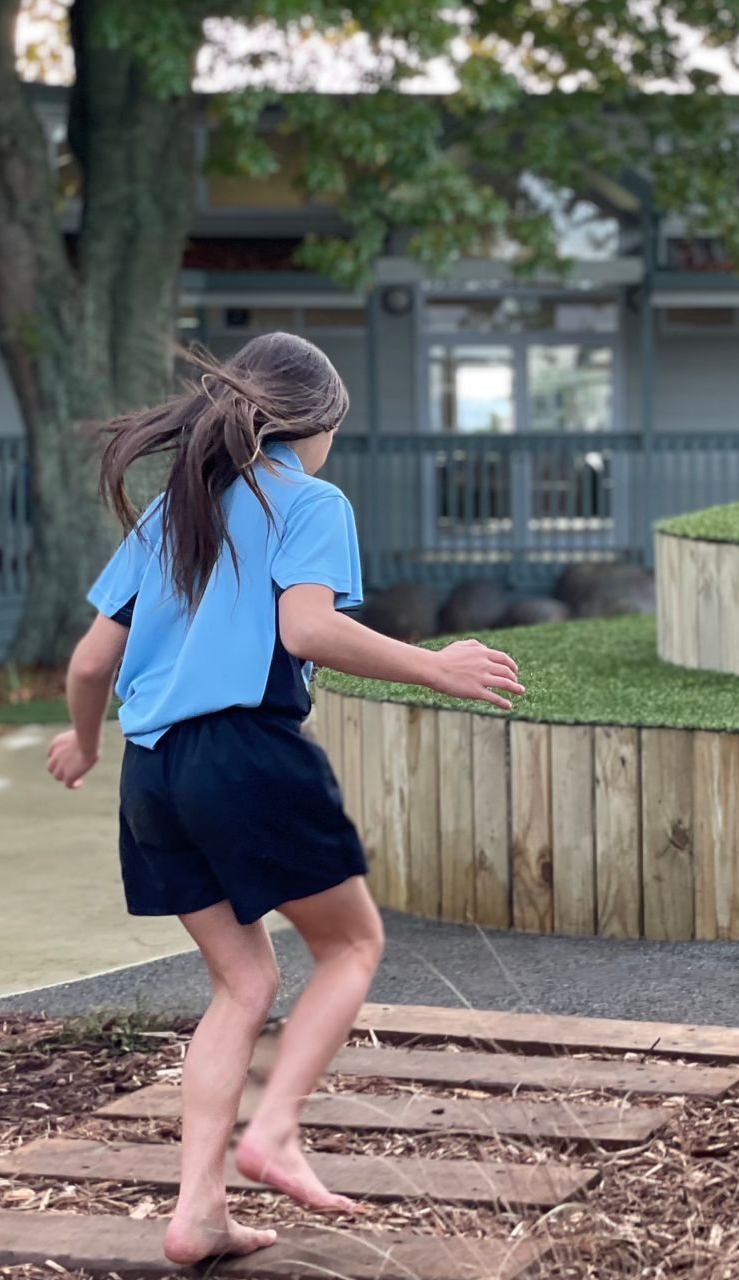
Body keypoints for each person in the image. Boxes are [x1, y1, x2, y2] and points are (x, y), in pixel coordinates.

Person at [45, 332, 523, 1265]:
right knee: (351, 945)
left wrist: (87, 742)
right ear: (317, 424)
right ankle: (274, 1133)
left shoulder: (172, 510)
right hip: (244, 753)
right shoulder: (308, 500)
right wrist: (436, 666)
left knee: (242, 985)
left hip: (151, 774)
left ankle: (198, 1211)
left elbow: (92, 662)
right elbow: (306, 629)